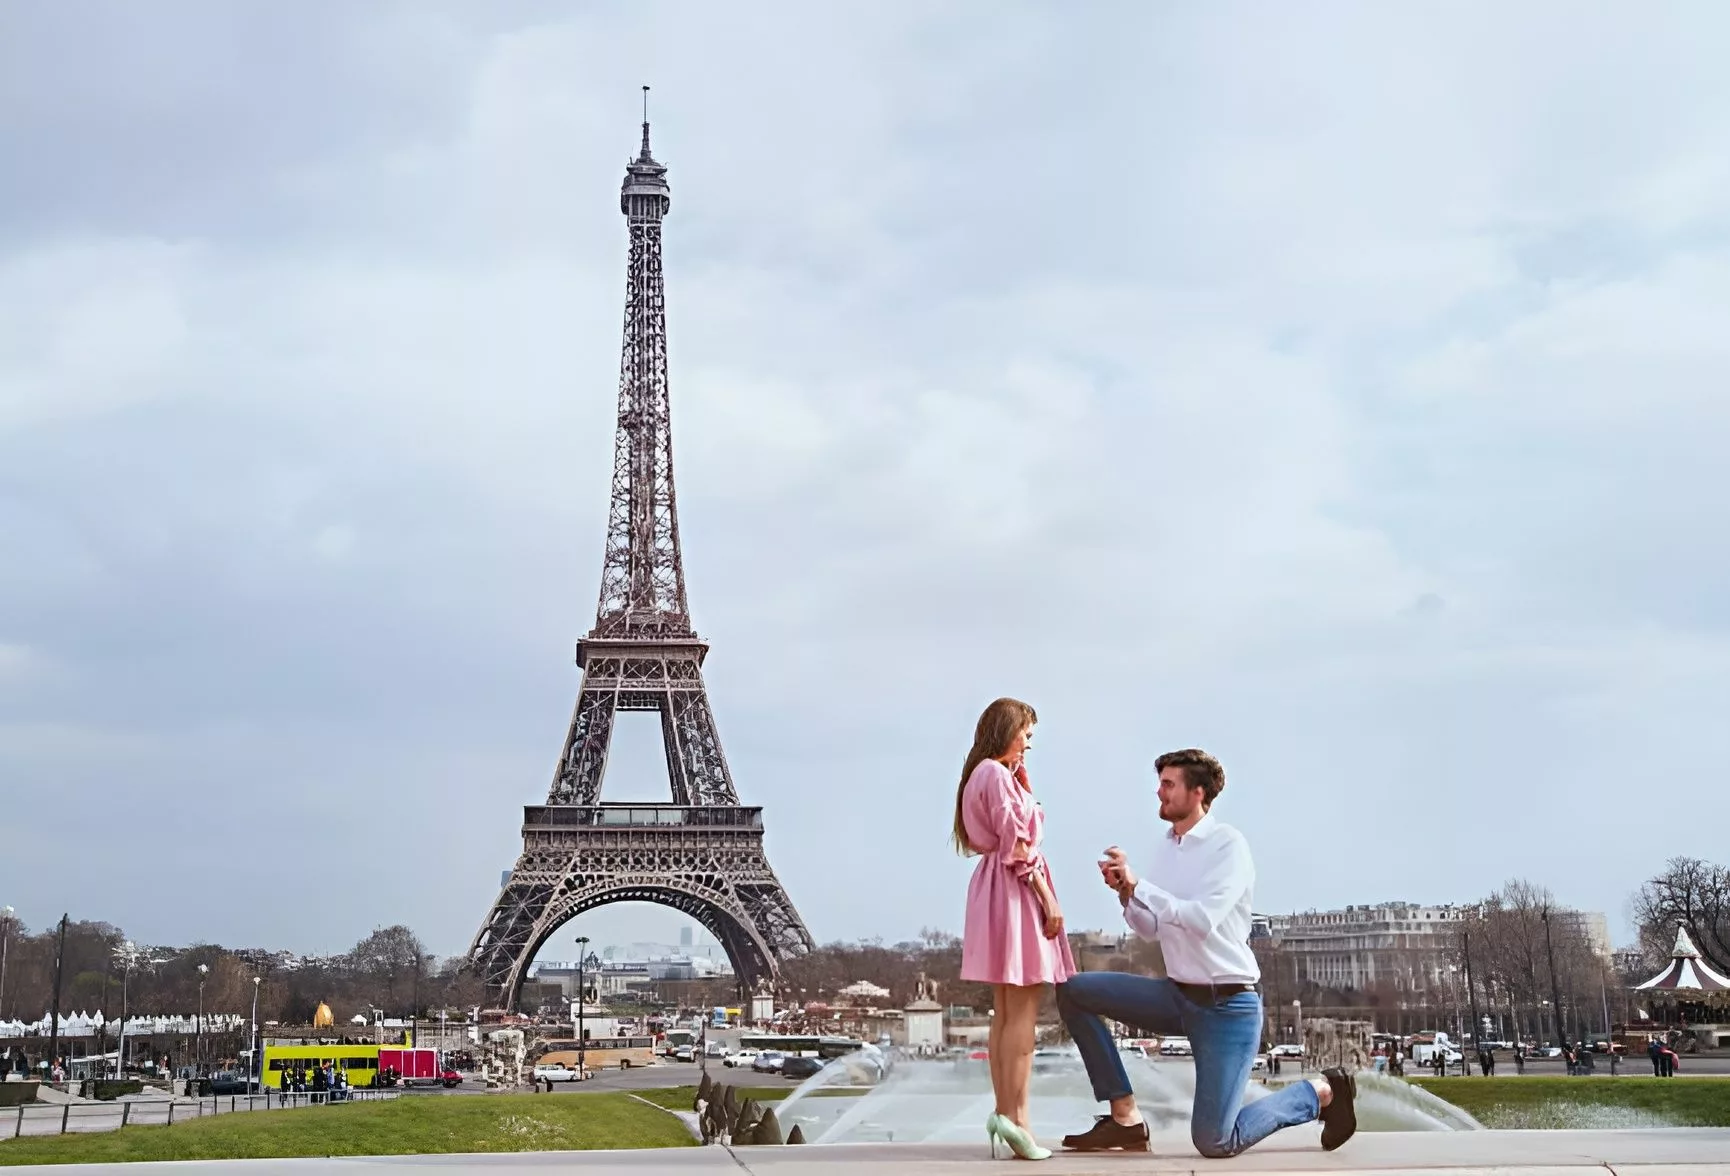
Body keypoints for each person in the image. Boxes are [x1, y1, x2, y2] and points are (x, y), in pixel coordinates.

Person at [1054, 749, 1356, 1158]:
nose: (1159, 793)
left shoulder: (1227, 846)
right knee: (1074, 990)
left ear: (1197, 793)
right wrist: (1127, 896)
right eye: (1159, 783)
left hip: (1227, 1009)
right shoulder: (1168, 847)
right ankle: (1124, 1118)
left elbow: (1201, 920)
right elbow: (1153, 927)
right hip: (1178, 996)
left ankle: (1321, 1092)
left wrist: (1140, 885)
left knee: (1215, 1140)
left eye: (1168, 784)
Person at [954, 697, 1075, 1161]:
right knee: (1023, 1017)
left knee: (1004, 1014)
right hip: (1017, 890)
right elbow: (1018, 846)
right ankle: (1020, 1123)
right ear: (1007, 729)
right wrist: (1049, 900)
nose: (1028, 743)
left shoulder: (981, 775)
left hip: (993, 888)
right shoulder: (997, 776)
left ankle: (1005, 1113)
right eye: (1025, 733)